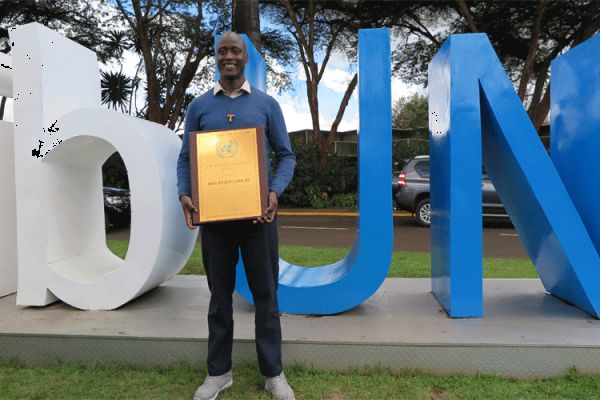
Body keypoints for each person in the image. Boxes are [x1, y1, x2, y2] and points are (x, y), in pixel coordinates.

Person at [176, 32, 296, 400]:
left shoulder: (266, 105)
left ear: (246, 58)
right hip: (215, 221)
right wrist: (185, 193)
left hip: (259, 220)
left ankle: (272, 373)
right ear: (216, 57)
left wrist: (274, 192)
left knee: (266, 297)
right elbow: (185, 159)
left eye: (235, 51)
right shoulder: (199, 107)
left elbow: (286, 156)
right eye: (222, 51)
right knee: (219, 299)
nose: (228, 56)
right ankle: (219, 373)